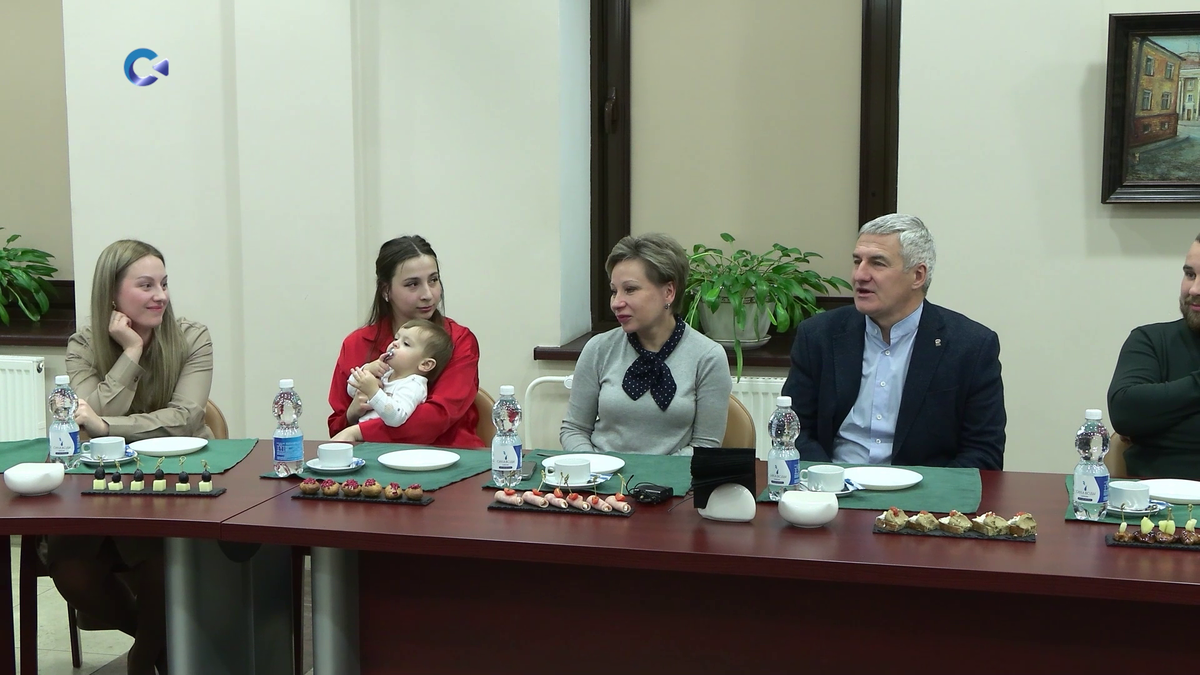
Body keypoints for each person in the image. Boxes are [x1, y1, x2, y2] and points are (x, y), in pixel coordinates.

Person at [49, 239, 215, 675]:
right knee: (69, 566)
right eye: (146, 285)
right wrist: (131, 353)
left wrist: (109, 428)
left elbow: (185, 418)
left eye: (164, 283)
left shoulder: (192, 337)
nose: (161, 296)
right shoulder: (84, 345)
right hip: (101, 490)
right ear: (112, 294)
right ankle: (157, 648)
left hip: (175, 484)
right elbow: (86, 420)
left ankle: (144, 657)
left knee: (165, 557)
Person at [781, 214, 1006, 469]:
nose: (860, 275)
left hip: (926, 488)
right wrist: (829, 479)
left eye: (877, 263)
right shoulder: (818, 335)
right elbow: (794, 431)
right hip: (835, 484)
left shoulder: (971, 346)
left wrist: (931, 491)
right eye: (857, 261)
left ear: (917, 276)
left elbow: (983, 452)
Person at [560, 233, 732, 455]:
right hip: (602, 473)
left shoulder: (708, 356)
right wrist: (597, 466)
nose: (616, 303)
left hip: (673, 475)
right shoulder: (599, 349)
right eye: (614, 291)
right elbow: (574, 430)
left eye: (630, 289)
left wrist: (651, 472)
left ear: (668, 292)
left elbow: (706, 445)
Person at [328, 235, 483, 447]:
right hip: (374, 458)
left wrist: (359, 431)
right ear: (386, 290)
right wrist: (352, 413)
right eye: (412, 284)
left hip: (448, 453)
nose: (428, 294)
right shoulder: (356, 344)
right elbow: (337, 429)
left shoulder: (459, 340)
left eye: (433, 280)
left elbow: (436, 418)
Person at [1108, 233, 1200, 479]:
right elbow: (1125, 412)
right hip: (1154, 497)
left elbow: (1141, 416)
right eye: (1190, 274)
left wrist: (1159, 418)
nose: (1194, 289)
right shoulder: (1150, 340)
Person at [331, 318, 454, 441]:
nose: (395, 344)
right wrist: (367, 369)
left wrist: (373, 391)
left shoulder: (414, 385)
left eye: (406, 343)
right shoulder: (386, 373)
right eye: (396, 338)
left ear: (425, 364)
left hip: (387, 445)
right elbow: (351, 389)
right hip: (365, 441)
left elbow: (396, 418)